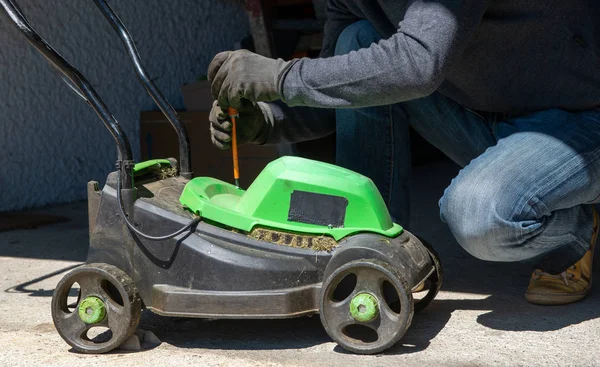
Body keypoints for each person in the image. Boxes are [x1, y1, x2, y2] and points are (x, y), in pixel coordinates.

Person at [206, 1, 600, 305]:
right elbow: (341, 89)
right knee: (356, 41)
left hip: (581, 117)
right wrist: (270, 119)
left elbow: (417, 64)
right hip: (488, 115)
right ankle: (374, 253)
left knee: (481, 216)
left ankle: (575, 234)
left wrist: (279, 76)